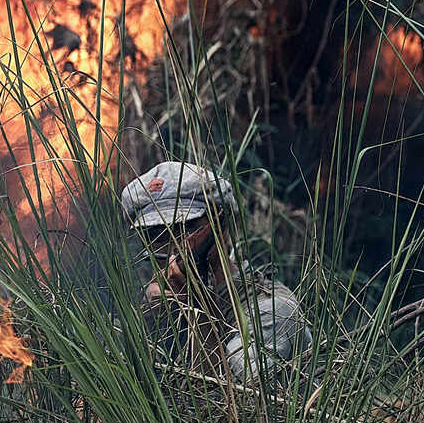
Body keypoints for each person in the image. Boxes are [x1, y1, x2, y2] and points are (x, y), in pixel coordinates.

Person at [121, 160, 313, 385]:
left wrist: (200, 311)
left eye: (187, 227)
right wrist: (146, 326)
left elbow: (229, 411)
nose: (174, 244)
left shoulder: (272, 312)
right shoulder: (155, 305)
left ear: (220, 224)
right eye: (157, 235)